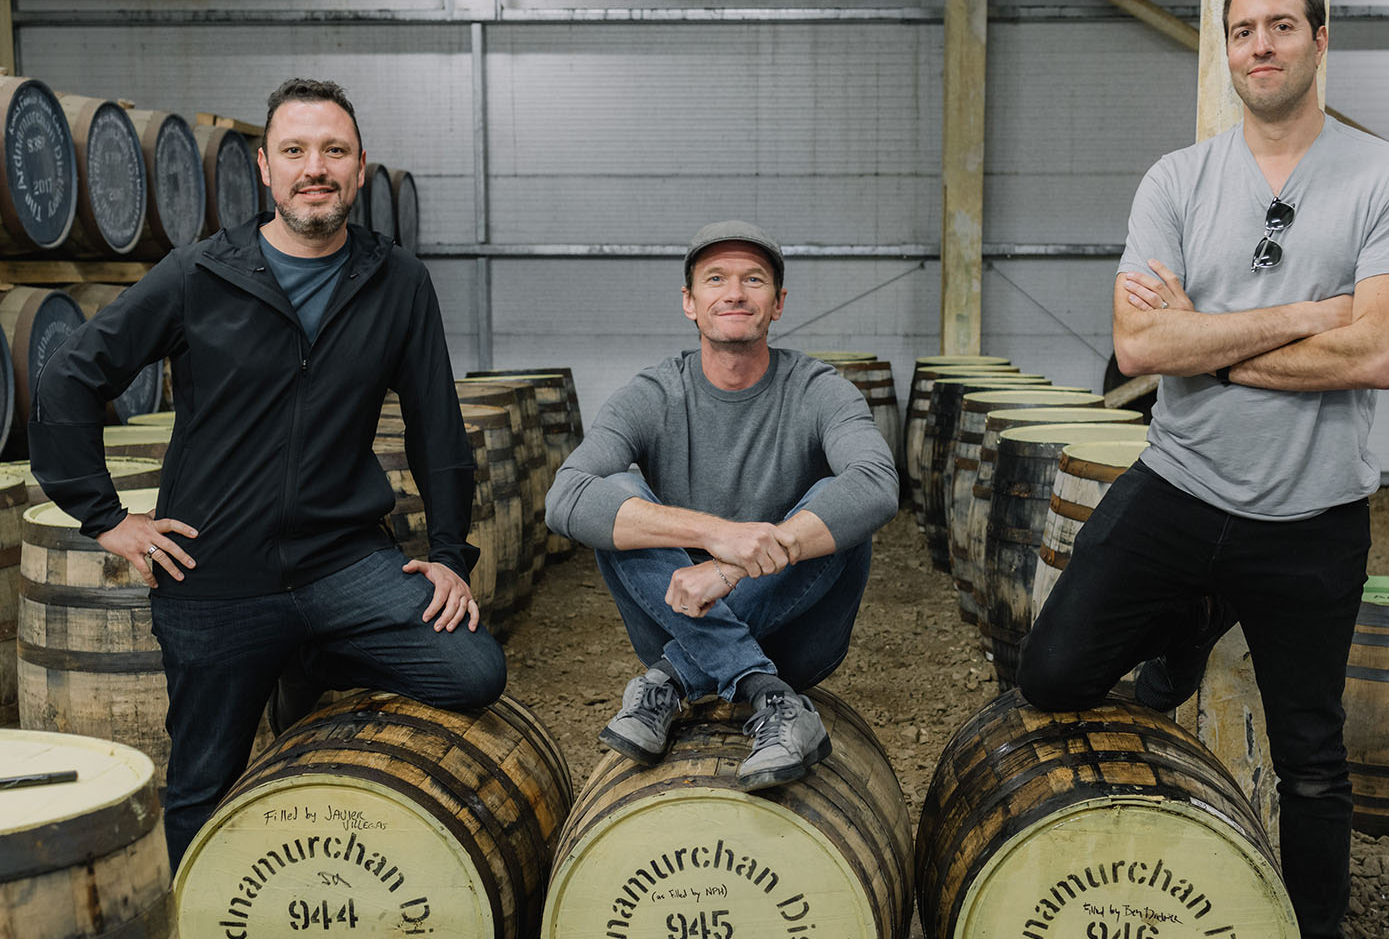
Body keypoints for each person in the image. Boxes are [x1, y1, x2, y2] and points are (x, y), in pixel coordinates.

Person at [1016, 0, 1389, 939]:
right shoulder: (1179, 179)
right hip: (1179, 486)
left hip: (1313, 515)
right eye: (1243, 29)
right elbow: (1139, 346)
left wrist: (1210, 342)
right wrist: (1304, 317)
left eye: (1282, 26)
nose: (1262, 45)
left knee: (1311, 756)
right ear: (1227, 48)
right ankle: (1189, 623)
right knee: (1053, 674)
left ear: (1319, 42)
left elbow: (1378, 351)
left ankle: (1315, 927)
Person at [29, 78, 506, 869]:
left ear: (359, 170)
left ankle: (307, 655)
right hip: (217, 572)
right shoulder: (200, 274)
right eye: (295, 151)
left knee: (470, 668)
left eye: (334, 151)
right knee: (203, 786)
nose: (314, 167)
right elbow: (70, 375)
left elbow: (437, 428)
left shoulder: (398, 282)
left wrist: (451, 555)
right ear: (264, 168)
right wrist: (105, 517)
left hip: (343, 560)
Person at [544, 220, 899, 790]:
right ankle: (763, 690)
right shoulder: (655, 393)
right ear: (690, 301)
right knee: (621, 501)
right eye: (715, 278)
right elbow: (565, 495)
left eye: (753, 279)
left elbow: (879, 482)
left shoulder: (819, 387)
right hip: (677, 615)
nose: (734, 292)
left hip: (799, 639)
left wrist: (735, 564)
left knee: (835, 500)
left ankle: (673, 680)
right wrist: (713, 534)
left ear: (777, 303)